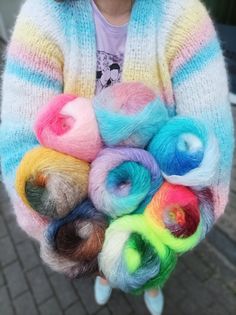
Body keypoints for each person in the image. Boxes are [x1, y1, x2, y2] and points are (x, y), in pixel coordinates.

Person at [0, 0, 234, 314]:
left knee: (144, 262)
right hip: (83, 219)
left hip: (154, 216)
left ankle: (151, 280)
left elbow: (211, 153)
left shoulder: (184, 18)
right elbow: (19, 152)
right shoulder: (43, 17)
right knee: (109, 263)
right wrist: (87, 251)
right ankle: (107, 276)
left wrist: (165, 240)